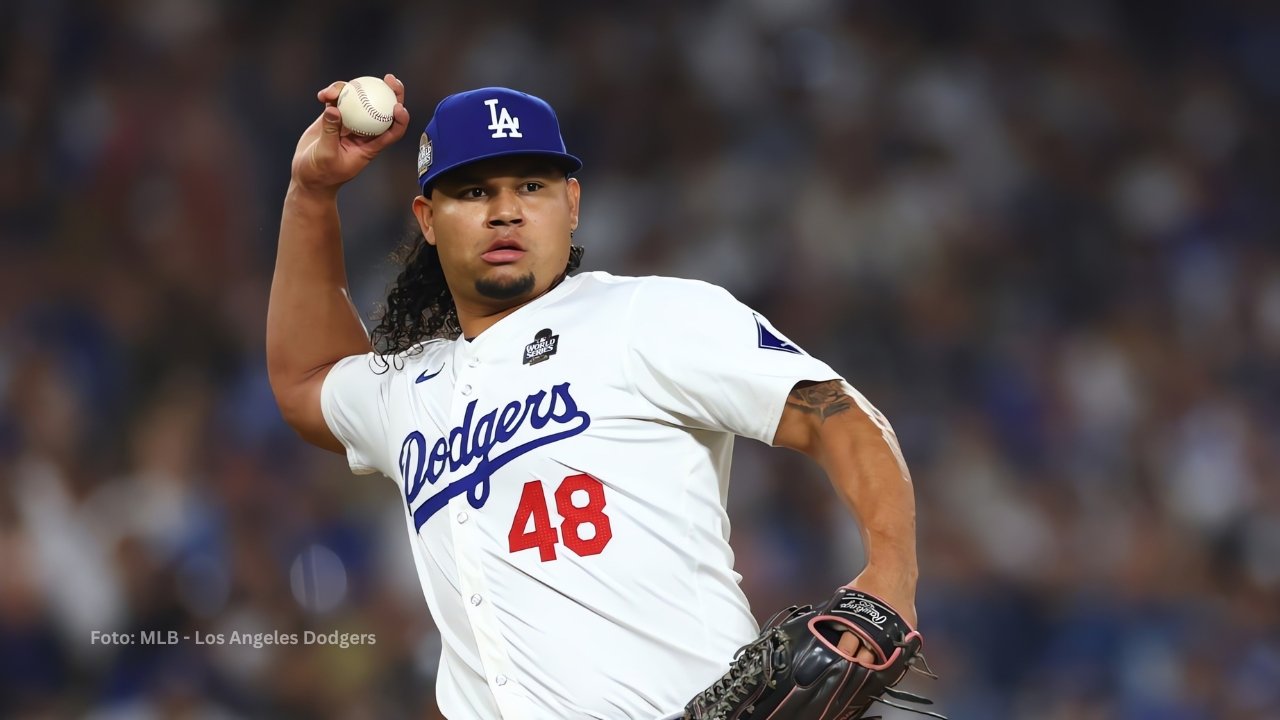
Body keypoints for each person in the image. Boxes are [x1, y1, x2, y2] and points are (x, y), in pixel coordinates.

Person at [267, 74, 921, 720]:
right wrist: (312, 192)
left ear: (571, 204)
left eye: (532, 185)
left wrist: (891, 576)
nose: (505, 210)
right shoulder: (412, 390)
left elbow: (837, 415)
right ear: (428, 220)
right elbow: (306, 379)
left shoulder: (648, 314)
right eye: (473, 191)